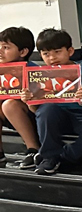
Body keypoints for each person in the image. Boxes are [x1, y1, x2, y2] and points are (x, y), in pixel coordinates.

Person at [14, 29, 82, 175]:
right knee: (46, 110)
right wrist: (29, 101)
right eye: (46, 54)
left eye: (57, 52)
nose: (52, 58)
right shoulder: (39, 76)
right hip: (54, 113)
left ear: (70, 51)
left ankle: (62, 157)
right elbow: (37, 112)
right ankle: (49, 157)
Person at [0, 27, 38, 165]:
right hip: (11, 116)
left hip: (36, 116)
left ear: (23, 52)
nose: (0, 51)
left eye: (6, 47)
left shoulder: (33, 71)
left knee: (10, 104)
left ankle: (33, 149)